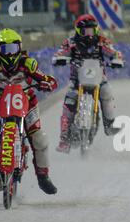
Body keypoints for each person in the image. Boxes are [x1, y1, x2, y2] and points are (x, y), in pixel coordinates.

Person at [0, 28, 58, 194]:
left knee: (39, 138)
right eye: (4, 50)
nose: (9, 54)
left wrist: (46, 83)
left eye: (12, 49)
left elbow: (47, 79)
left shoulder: (29, 64)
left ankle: (43, 177)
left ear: (19, 47)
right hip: (2, 105)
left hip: (27, 104)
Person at [52, 14, 124, 154]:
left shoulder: (102, 41)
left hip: (99, 79)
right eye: (86, 30)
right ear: (78, 30)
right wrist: (59, 58)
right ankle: (64, 139)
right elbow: (60, 53)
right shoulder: (71, 42)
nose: (89, 34)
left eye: (92, 30)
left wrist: (117, 60)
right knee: (69, 104)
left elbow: (115, 53)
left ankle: (109, 124)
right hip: (76, 81)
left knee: (107, 92)